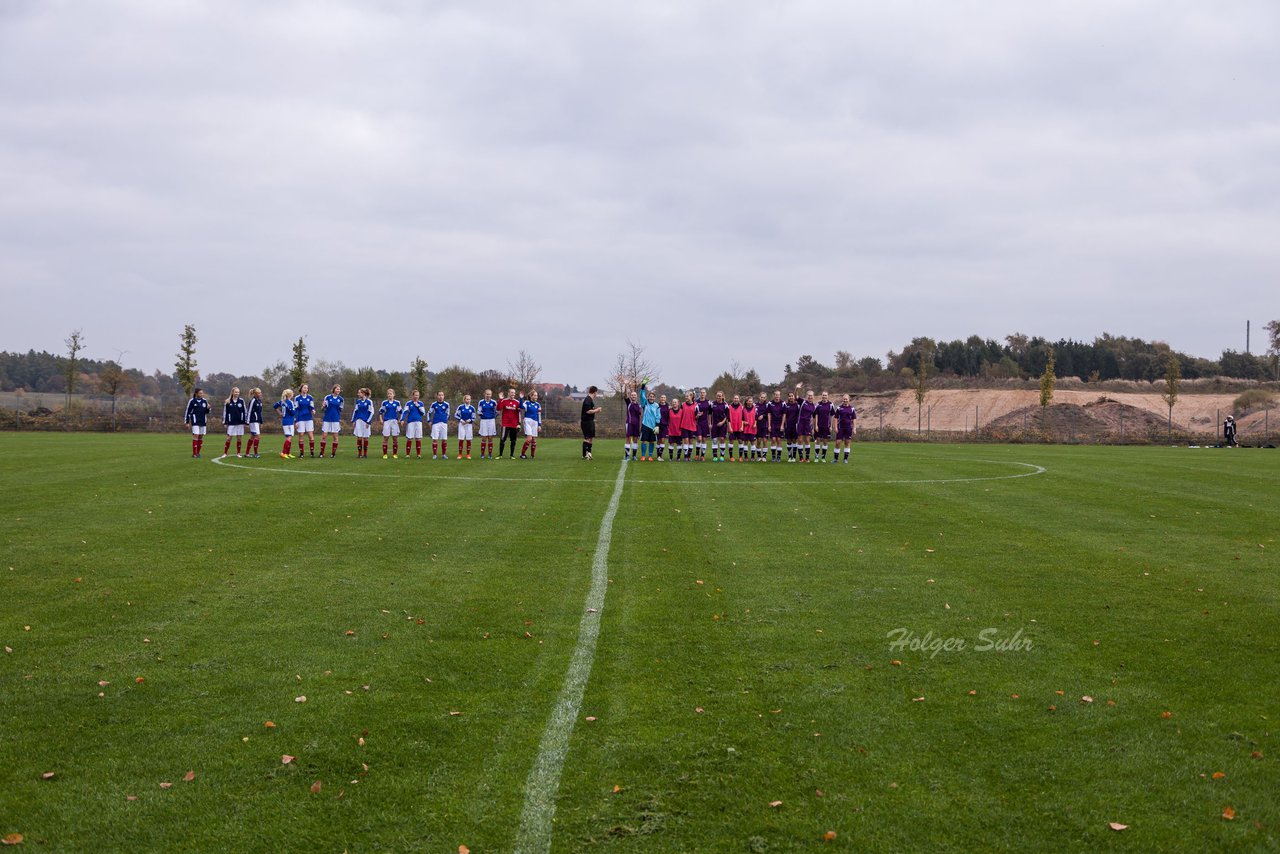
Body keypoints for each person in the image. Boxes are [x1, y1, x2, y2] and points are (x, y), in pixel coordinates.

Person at [184, 387, 210, 458]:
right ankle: (194, 453)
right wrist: (187, 422)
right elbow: (188, 411)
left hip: (203, 421)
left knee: (201, 436)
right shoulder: (192, 401)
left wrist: (208, 408)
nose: (202, 394)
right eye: (200, 393)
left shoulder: (204, 401)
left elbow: (207, 412)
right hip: (195, 421)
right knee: (196, 435)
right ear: (196, 394)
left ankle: (198, 453)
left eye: (202, 393)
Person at [221, 387, 247, 458]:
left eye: (238, 392)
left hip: (240, 422)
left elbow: (245, 411)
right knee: (229, 438)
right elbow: (225, 412)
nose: (237, 393)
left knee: (239, 438)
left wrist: (245, 421)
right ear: (232, 392)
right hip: (231, 422)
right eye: (236, 392)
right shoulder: (228, 401)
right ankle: (225, 453)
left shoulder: (241, 401)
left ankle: (238, 453)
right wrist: (225, 422)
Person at [319, 384, 344, 458]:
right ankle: (321, 453)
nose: (338, 390)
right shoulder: (327, 397)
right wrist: (323, 406)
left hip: (335, 419)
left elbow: (341, 409)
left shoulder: (341, 399)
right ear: (333, 389)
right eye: (337, 389)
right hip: (327, 419)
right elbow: (322, 409)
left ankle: (333, 453)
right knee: (324, 436)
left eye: (339, 389)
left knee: (335, 436)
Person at [272, 389, 297, 459]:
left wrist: (280, 413)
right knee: (289, 437)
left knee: (289, 437)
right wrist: (295, 410)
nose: (293, 394)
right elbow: (293, 413)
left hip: (285, 421)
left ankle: (288, 453)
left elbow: (275, 406)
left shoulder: (282, 401)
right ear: (289, 395)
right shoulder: (290, 402)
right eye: (292, 393)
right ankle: (283, 453)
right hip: (289, 421)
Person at [294, 383, 317, 458]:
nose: (306, 389)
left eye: (307, 388)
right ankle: (301, 453)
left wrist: (313, 410)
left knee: (310, 435)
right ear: (301, 389)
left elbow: (311, 406)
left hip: (309, 418)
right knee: (301, 435)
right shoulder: (297, 398)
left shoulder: (310, 397)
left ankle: (312, 452)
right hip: (300, 418)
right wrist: (296, 421)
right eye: (304, 388)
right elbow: (296, 410)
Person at [498, 388, 522, 458]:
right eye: (511, 392)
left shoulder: (517, 402)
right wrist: (500, 399)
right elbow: (498, 408)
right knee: (502, 439)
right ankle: (500, 455)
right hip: (505, 424)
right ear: (508, 393)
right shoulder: (504, 401)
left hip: (514, 424)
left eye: (514, 393)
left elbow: (519, 413)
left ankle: (512, 455)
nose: (513, 394)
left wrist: (519, 423)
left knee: (513, 440)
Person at [378, 388, 402, 459]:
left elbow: (401, 412)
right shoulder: (384, 403)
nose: (389, 395)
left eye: (391, 393)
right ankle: (385, 454)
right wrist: (381, 419)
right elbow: (380, 412)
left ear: (394, 395)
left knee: (395, 438)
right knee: (386, 437)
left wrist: (400, 419)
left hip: (394, 421)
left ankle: (395, 454)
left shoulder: (397, 402)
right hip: (387, 421)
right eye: (388, 394)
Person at [639, 383, 661, 461]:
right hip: (645, 425)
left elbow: (658, 416)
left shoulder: (657, 405)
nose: (651, 398)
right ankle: (643, 456)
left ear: (654, 398)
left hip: (653, 426)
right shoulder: (645, 403)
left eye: (653, 397)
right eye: (650, 396)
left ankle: (650, 456)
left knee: (652, 441)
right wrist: (643, 386)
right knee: (644, 441)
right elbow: (642, 396)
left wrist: (657, 425)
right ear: (648, 397)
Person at [351, 388, 374, 459]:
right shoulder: (358, 401)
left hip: (365, 422)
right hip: (358, 421)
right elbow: (355, 411)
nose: (358, 394)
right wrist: (353, 420)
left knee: (365, 438)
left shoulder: (369, 401)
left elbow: (372, 412)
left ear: (363, 393)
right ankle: (360, 454)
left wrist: (368, 422)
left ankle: (365, 454)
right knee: (359, 437)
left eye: (359, 393)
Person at [403, 390, 426, 458]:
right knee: (409, 438)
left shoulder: (421, 403)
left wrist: (418, 406)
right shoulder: (408, 403)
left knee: (418, 438)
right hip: (410, 422)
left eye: (418, 395)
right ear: (412, 396)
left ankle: (418, 454)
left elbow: (423, 413)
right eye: (415, 395)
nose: (416, 396)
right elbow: (405, 412)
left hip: (418, 422)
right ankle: (407, 454)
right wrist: (402, 419)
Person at [580, 386, 601, 460]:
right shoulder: (587, 400)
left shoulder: (590, 400)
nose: (597, 394)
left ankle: (589, 453)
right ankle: (584, 455)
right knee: (587, 438)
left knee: (591, 438)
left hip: (590, 421)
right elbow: (588, 411)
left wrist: (595, 410)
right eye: (597, 392)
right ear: (594, 392)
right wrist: (597, 410)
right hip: (586, 422)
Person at [814, 391, 835, 462]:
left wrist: (831, 426)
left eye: (825, 395)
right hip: (819, 426)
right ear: (821, 396)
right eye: (823, 395)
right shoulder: (818, 404)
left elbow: (832, 416)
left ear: (827, 396)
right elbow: (816, 415)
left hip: (827, 426)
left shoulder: (831, 404)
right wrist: (816, 425)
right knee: (818, 440)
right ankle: (816, 457)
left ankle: (823, 457)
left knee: (825, 441)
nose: (824, 396)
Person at [835, 394, 857, 463]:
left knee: (847, 443)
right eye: (844, 399)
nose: (845, 400)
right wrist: (835, 427)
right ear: (842, 400)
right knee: (838, 442)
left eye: (846, 399)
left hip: (848, 428)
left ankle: (845, 459)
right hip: (840, 427)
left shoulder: (852, 408)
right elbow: (835, 418)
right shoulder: (839, 408)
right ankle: (835, 459)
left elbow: (854, 419)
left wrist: (854, 428)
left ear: (849, 399)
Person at [429, 391, 451, 459]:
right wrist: (429, 421)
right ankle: (435, 455)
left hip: (443, 423)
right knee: (435, 439)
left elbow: (448, 413)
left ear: (444, 396)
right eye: (439, 395)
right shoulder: (434, 404)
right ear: (437, 396)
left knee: (444, 439)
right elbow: (429, 412)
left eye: (442, 395)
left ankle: (444, 454)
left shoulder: (447, 404)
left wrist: (445, 420)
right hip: (435, 423)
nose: (441, 396)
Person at [796, 388, 817, 462]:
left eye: (811, 395)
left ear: (813, 396)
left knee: (807, 440)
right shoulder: (802, 402)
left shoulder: (814, 406)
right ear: (806, 396)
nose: (810, 397)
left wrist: (813, 427)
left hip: (808, 425)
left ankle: (807, 458)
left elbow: (814, 418)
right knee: (800, 440)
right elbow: (796, 396)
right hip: (800, 423)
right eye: (809, 395)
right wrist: (797, 389)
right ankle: (801, 458)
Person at [520, 390, 542, 459]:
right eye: (535, 395)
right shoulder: (527, 402)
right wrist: (521, 398)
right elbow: (521, 406)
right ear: (531, 396)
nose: (536, 397)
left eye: (537, 395)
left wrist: (539, 425)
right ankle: (522, 454)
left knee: (534, 440)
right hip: (528, 421)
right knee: (529, 438)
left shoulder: (538, 405)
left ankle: (532, 455)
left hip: (535, 422)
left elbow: (539, 415)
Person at [478, 389, 498, 459]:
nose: (488, 395)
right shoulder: (481, 402)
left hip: (491, 421)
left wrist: (493, 417)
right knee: (483, 438)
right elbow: (479, 410)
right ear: (484, 394)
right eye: (487, 394)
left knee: (490, 438)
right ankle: (482, 454)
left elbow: (497, 411)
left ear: (491, 395)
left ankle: (490, 454)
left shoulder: (494, 402)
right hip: (483, 421)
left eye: (489, 394)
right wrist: (480, 413)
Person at [709, 390, 729, 461]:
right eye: (717, 396)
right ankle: (715, 456)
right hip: (714, 425)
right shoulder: (712, 404)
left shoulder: (725, 404)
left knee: (722, 439)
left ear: (722, 396)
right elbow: (710, 414)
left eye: (720, 396)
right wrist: (710, 423)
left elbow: (727, 416)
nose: (718, 397)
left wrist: (722, 422)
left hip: (722, 425)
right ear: (716, 396)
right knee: (714, 440)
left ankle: (722, 456)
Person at [455, 394, 476, 459]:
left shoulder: (472, 408)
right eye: (467, 399)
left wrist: (469, 420)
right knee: (461, 439)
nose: (468, 400)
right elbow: (456, 415)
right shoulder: (460, 407)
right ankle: (460, 454)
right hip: (462, 424)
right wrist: (461, 420)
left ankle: (468, 454)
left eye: (469, 399)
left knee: (468, 439)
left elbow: (474, 417)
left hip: (469, 425)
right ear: (464, 400)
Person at [782, 391, 801, 462]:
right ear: (788, 397)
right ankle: (790, 456)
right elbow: (784, 415)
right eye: (789, 396)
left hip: (795, 425)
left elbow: (800, 415)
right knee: (789, 440)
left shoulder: (798, 405)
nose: (791, 397)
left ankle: (794, 457)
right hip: (788, 425)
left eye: (792, 396)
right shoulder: (785, 405)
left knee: (794, 440)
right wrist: (783, 425)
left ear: (794, 397)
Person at [623, 388, 642, 460]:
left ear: (636, 397)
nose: (633, 396)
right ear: (630, 396)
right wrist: (625, 386)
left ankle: (634, 456)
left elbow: (640, 414)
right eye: (632, 395)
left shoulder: (639, 405)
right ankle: (627, 456)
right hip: (629, 423)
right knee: (628, 439)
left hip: (636, 424)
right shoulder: (628, 403)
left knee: (635, 440)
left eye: (635, 395)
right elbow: (625, 395)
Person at [245, 388, 264, 458]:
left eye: (260, 392)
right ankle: (256, 453)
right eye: (259, 393)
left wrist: (261, 422)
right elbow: (249, 411)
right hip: (253, 421)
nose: (260, 394)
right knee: (258, 436)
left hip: (257, 421)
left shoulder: (260, 401)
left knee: (252, 437)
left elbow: (260, 412)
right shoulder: (253, 401)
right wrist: (247, 422)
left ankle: (247, 453)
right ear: (255, 394)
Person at [680, 390, 698, 460]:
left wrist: (698, 416)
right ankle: (685, 456)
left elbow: (696, 417)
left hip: (692, 426)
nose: (686, 397)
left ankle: (689, 456)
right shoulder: (683, 404)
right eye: (685, 396)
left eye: (687, 396)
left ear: (691, 396)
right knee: (686, 441)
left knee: (691, 442)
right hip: (684, 425)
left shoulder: (696, 405)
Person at [768, 390, 786, 461]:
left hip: (780, 423)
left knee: (779, 439)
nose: (777, 396)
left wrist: (782, 425)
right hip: (773, 423)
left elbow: (784, 414)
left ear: (780, 395)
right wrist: (769, 425)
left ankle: (778, 456)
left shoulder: (783, 403)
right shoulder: (770, 403)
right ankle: (773, 456)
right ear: (774, 395)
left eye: (778, 395)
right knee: (773, 439)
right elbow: (769, 414)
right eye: (776, 395)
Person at [695, 388, 712, 461]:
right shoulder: (696, 402)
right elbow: (694, 414)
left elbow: (710, 414)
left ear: (705, 394)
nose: (702, 394)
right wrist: (697, 415)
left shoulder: (708, 402)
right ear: (700, 394)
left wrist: (710, 423)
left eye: (703, 392)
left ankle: (702, 456)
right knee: (699, 439)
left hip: (705, 423)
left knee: (704, 439)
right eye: (701, 392)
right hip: (698, 423)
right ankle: (697, 455)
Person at [665, 395, 684, 461]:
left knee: (679, 444)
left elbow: (683, 420)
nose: (674, 403)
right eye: (673, 402)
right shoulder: (669, 411)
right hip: (671, 431)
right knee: (671, 444)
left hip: (679, 431)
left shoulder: (682, 411)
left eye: (675, 402)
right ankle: (670, 458)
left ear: (678, 403)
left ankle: (678, 458)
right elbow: (666, 419)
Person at [726, 394, 744, 461]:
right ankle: (731, 457)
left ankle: (740, 457)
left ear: (739, 399)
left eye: (737, 398)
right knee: (731, 441)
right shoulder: (729, 407)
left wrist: (742, 426)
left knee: (740, 441)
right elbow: (728, 418)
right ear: (733, 399)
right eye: (735, 398)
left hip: (739, 427)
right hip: (732, 427)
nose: (736, 399)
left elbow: (743, 418)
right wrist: (729, 427)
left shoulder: (741, 407)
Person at [742, 394, 759, 460]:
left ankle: (752, 457)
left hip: (752, 428)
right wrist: (744, 422)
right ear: (746, 402)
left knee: (752, 442)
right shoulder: (743, 409)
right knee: (745, 442)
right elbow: (741, 419)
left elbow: (756, 418)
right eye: (749, 401)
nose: (750, 402)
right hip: (745, 428)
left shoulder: (755, 408)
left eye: (751, 401)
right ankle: (746, 457)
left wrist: (755, 424)